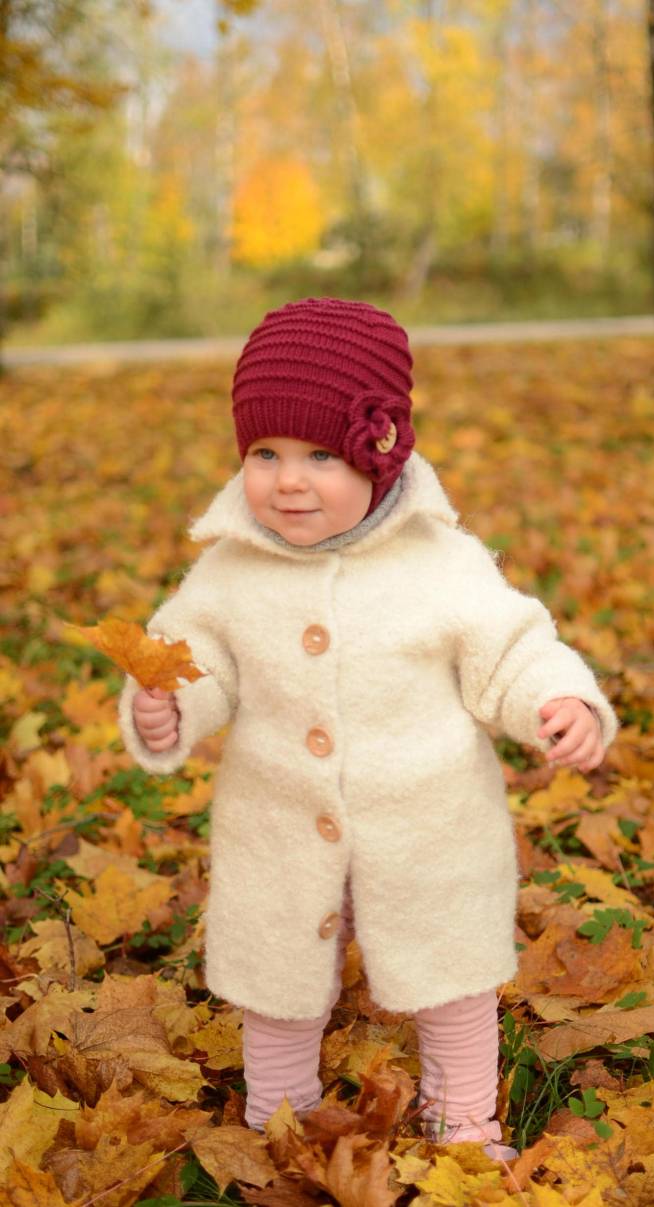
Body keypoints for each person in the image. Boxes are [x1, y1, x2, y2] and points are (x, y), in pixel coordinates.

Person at [117, 296, 618, 1161]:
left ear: (381, 454)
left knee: (452, 974)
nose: (288, 480)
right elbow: (199, 658)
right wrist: (167, 705)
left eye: (320, 455)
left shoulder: (441, 561)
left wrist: (557, 700)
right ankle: (279, 1115)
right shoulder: (230, 567)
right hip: (280, 820)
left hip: (427, 821)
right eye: (265, 453)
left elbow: (509, 650)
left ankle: (463, 1122)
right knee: (278, 975)